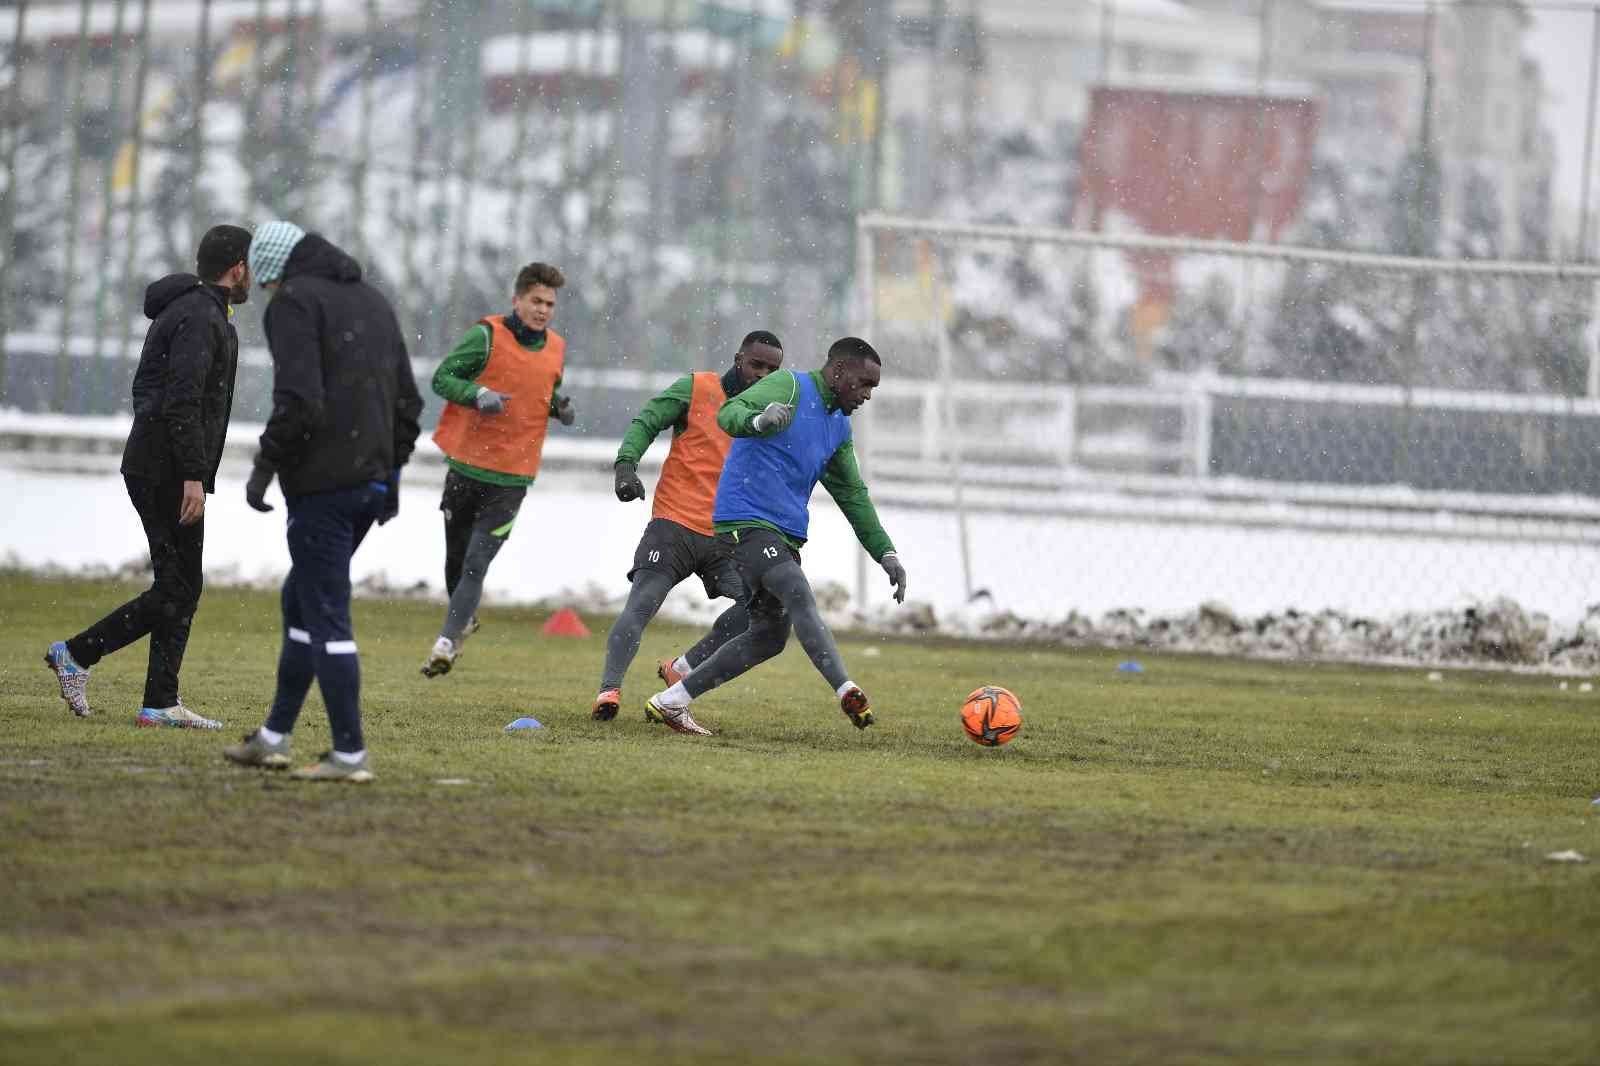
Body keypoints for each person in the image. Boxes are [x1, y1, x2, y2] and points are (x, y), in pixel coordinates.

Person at [222, 221, 422, 783]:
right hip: (368, 485)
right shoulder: (374, 302)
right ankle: (273, 736)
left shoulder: (294, 303)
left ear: (274, 271)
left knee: (327, 612)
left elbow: (300, 399)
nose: (266, 294)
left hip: (323, 488)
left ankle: (350, 754)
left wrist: (265, 465)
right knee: (301, 602)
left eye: (265, 284)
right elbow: (408, 403)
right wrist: (391, 480)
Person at [643, 336, 908, 736]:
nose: (868, 394)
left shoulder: (838, 427)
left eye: (873, 387)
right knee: (797, 591)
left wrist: (885, 551)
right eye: (864, 383)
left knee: (768, 637)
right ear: (837, 371)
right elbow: (730, 411)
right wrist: (759, 420)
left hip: (782, 535)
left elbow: (853, 495)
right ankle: (845, 688)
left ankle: (671, 701)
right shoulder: (790, 385)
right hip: (743, 522)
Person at [43, 224, 253, 729]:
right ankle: (77, 654)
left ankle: (160, 701)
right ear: (237, 268)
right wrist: (192, 477)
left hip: (162, 465)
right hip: (167, 470)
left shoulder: (198, 311)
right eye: (252, 266)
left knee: (181, 584)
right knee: (178, 588)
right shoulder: (201, 317)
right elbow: (182, 400)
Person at [591, 330, 786, 721]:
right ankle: (609, 691)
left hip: (727, 537)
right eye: (757, 365)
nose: (764, 374)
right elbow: (647, 420)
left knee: (766, 611)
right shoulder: (696, 388)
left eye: (773, 369)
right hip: (674, 526)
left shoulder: (769, 416)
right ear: (737, 359)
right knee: (642, 603)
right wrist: (626, 465)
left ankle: (684, 667)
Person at [419, 262, 576, 678]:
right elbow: (442, 379)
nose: (543, 310)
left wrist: (559, 404)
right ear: (517, 300)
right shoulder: (485, 336)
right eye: (536, 301)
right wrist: (476, 393)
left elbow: (543, 388)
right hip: (467, 468)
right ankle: (462, 619)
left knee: (476, 562)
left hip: (513, 477)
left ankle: (446, 644)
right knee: (455, 561)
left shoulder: (557, 347)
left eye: (549, 304)